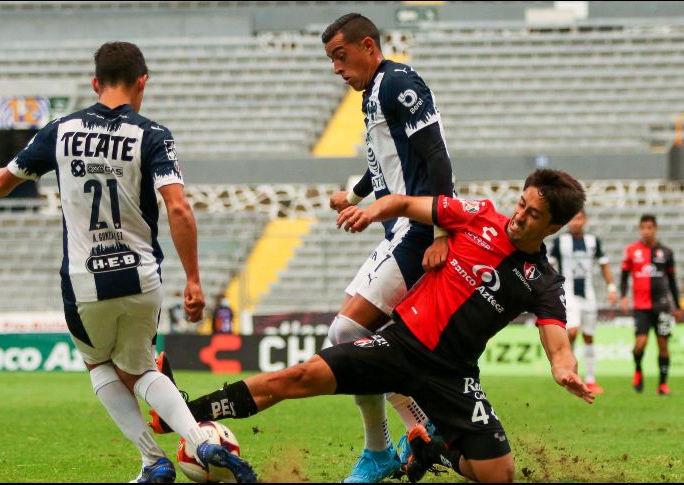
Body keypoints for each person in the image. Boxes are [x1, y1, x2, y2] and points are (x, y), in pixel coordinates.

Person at [173, 169, 595, 484]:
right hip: (397, 345)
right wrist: (371, 210)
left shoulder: (543, 281)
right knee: (297, 377)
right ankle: (186, 413)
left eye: (532, 213)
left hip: (453, 375)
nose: (518, 215)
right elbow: (405, 203)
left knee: (500, 476)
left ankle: (433, 449)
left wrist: (564, 370)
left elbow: (557, 342)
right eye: (521, 203)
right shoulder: (478, 216)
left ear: (553, 227)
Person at [0, 41, 256, 483]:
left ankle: (152, 460)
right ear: (142, 81)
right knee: (141, 367)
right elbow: (178, 209)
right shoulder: (153, 134)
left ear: (94, 83)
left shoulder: (60, 130)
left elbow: (5, 182)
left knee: (100, 366)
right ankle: (201, 442)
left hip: (85, 282)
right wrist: (195, 280)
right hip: (142, 277)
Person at [319, 12, 456, 482]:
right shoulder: (374, 92)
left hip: (418, 230)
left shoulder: (399, 82)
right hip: (401, 231)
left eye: (341, 55)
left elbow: (436, 155)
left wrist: (440, 232)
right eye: (331, 60)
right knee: (373, 343)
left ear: (368, 46)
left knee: (345, 334)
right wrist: (354, 196)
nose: (337, 68)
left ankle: (401, 437)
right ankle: (422, 428)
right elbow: (385, 160)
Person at [548, 209, 618, 394]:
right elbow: (549, 266)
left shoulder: (593, 241)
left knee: (588, 336)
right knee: (572, 331)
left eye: (578, 218)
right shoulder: (559, 242)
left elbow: (604, 265)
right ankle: (569, 372)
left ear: (584, 220)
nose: (575, 222)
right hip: (569, 293)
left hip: (589, 295)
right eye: (572, 219)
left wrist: (611, 287)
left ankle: (591, 379)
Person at [620, 214, 682, 396]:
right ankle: (638, 369)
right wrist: (624, 296)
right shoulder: (632, 251)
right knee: (640, 344)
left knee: (663, 344)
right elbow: (624, 276)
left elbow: (672, 281)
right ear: (640, 229)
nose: (646, 231)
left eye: (649, 228)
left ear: (655, 229)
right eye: (643, 228)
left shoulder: (666, 252)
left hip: (662, 306)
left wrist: (677, 306)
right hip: (641, 306)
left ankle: (663, 384)